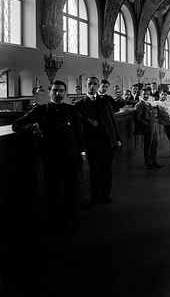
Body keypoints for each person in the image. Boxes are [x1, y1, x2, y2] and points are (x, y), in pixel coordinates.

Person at [12, 80, 86, 233]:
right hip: (51, 157)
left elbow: (79, 132)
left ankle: (69, 220)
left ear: (65, 92)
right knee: (53, 190)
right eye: (55, 90)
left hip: (71, 156)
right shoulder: (41, 109)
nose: (58, 93)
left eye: (61, 91)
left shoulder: (71, 109)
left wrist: (82, 152)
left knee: (70, 190)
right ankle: (55, 221)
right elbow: (17, 124)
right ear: (49, 91)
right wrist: (32, 126)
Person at [76, 76, 122, 206]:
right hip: (93, 143)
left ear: (98, 86)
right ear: (86, 85)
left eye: (95, 84)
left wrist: (117, 138)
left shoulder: (105, 101)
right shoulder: (80, 104)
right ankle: (95, 197)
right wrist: (87, 120)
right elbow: (78, 122)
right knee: (95, 170)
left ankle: (105, 195)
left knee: (107, 169)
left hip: (107, 140)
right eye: (90, 84)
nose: (92, 86)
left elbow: (112, 120)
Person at [135, 87, 164, 170]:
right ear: (141, 95)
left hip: (153, 127)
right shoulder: (139, 105)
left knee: (154, 144)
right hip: (148, 128)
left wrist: (155, 118)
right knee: (148, 146)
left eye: (148, 94)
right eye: (144, 94)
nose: (146, 95)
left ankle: (154, 161)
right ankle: (148, 163)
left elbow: (152, 113)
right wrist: (146, 125)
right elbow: (137, 118)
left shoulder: (149, 104)